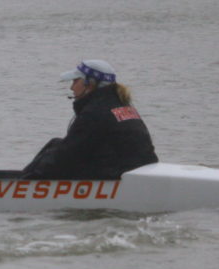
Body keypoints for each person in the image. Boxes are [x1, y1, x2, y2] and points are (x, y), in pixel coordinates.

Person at [22, 59, 158, 179]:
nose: (71, 87)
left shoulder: (94, 113)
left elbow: (67, 155)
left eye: (75, 81)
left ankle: (23, 183)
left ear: (90, 84)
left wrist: (32, 178)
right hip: (135, 167)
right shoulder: (124, 105)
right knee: (56, 144)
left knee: (54, 152)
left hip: (115, 174)